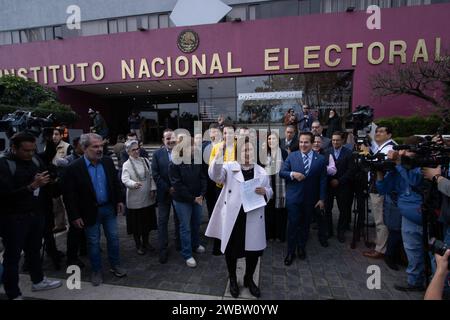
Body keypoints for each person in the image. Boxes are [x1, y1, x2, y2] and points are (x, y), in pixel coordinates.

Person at [206, 140, 273, 298]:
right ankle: (233, 278)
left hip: (253, 217)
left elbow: (270, 190)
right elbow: (214, 175)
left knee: (253, 252)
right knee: (231, 251)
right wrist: (220, 154)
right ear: (238, 153)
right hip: (234, 218)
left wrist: (266, 191)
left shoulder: (262, 171)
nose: (247, 154)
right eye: (244, 151)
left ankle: (248, 279)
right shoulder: (229, 168)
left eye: (250, 151)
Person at [0, 132, 62, 300]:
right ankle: (13, 293)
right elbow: (5, 196)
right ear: (14, 148)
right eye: (26, 150)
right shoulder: (4, 164)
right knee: (12, 257)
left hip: (36, 214)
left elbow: (45, 172)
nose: (30, 154)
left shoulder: (35, 159)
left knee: (33, 251)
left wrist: (49, 178)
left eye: (33, 150)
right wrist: (32, 186)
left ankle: (38, 281)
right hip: (13, 218)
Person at [63, 133, 127, 286]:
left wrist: (119, 200)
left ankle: (115, 265)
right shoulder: (74, 168)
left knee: (113, 238)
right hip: (89, 212)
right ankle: (96, 270)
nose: (100, 149)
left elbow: (115, 183)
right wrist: (75, 216)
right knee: (93, 242)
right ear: (84, 148)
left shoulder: (107, 162)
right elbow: (69, 196)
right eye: (95, 147)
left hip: (108, 209)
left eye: (101, 146)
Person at [376, 136, 426, 292]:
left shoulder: (422, 166)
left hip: (424, 215)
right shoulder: (399, 168)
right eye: (401, 149)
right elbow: (383, 189)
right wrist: (379, 173)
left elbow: (415, 181)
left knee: (430, 252)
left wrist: (399, 163)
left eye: (406, 150)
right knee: (412, 249)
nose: (402, 153)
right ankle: (415, 281)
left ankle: (436, 283)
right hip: (407, 216)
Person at [280, 132, 327, 265]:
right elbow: (281, 173)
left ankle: (301, 247)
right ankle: (290, 251)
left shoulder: (321, 159)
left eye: (306, 142)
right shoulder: (292, 156)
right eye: (301, 142)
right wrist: (292, 174)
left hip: (310, 199)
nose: (303, 145)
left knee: (305, 225)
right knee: (293, 224)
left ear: (312, 143)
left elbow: (323, 180)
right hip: (294, 198)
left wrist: (322, 199)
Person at [169, 136, 207, 268]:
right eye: (192, 145)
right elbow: (177, 185)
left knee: (196, 223)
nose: (195, 147)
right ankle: (187, 253)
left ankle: (195, 245)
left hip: (197, 198)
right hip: (182, 201)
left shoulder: (197, 159)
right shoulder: (175, 163)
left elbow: (203, 177)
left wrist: (202, 194)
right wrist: (193, 198)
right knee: (185, 227)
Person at [363, 126, 396, 259]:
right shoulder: (382, 147)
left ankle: (380, 249)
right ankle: (379, 243)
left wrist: (366, 154)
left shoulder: (389, 149)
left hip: (380, 188)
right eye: (377, 131)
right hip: (377, 186)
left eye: (382, 131)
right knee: (379, 218)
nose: (377, 133)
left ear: (389, 135)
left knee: (380, 219)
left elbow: (377, 165)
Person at [121, 140, 157, 255]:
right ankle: (138, 245)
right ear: (128, 152)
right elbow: (125, 179)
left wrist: (152, 188)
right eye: (133, 150)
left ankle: (146, 242)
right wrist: (133, 184)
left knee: (147, 222)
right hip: (135, 199)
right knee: (137, 225)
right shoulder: (126, 164)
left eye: (137, 149)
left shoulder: (145, 160)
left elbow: (151, 176)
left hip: (147, 197)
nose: (137, 151)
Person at [151, 129, 181, 264]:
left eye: (172, 138)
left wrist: (177, 187)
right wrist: (168, 188)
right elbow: (155, 174)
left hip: (179, 194)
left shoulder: (182, 152)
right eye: (167, 138)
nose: (170, 141)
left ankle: (179, 244)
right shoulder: (157, 154)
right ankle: (162, 249)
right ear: (163, 141)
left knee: (179, 220)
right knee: (162, 222)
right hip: (164, 194)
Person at [324, 132, 354, 243]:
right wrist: (331, 180)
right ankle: (329, 230)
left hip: (343, 186)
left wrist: (339, 181)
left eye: (337, 140)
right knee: (328, 209)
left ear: (342, 141)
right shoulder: (326, 152)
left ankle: (341, 231)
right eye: (333, 140)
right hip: (329, 185)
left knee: (343, 209)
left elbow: (351, 170)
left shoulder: (349, 153)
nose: (335, 142)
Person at [259, 131, 288, 242]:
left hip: (281, 187)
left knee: (280, 212)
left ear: (278, 141)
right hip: (268, 187)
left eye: (274, 139)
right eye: (269, 139)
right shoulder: (264, 153)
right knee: (269, 212)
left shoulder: (284, 153)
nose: (271, 141)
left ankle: (280, 235)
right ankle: (270, 235)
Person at [312, 135, 337, 247]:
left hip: (324, 188)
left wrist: (321, 167)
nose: (316, 144)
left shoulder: (327, 154)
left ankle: (324, 236)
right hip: (309, 189)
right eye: (314, 142)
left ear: (321, 143)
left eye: (318, 142)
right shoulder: (306, 154)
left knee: (323, 213)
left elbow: (333, 170)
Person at [52, 127, 72, 234]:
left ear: (61, 136)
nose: (54, 136)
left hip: (63, 178)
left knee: (66, 203)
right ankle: (60, 224)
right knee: (56, 204)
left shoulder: (67, 147)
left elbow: (70, 163)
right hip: (53, 179)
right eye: (53, 134)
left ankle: (70, 225)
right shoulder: (48, 147)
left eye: (56, 134)